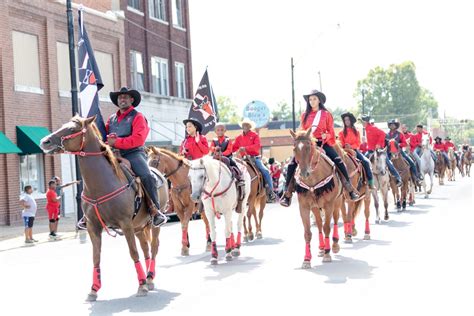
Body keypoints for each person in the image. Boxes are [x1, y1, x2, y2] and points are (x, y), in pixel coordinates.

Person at [280, 90, 359, 207]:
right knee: (292, 164)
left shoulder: (326, 114)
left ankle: (349, 187)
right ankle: (287, 193)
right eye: (310, 99)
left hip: (323, 142)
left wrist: (326, 135)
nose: (312, 102)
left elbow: (331, 132)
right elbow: (302, 130)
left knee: (338, 160)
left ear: (319, 100)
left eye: (314, 99)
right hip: (308, 144)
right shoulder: (304, 115)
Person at [107, 87, 167, 227]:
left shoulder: (138, 116)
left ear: (131, 100)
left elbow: (138, 139)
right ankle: (90, 213)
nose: (122, 99)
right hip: (113, 153)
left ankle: (155, 210)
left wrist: (116, 142)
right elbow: (104, 136)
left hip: (133, 153)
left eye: (125, 97)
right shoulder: (111, 119)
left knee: (146, 176)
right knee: (96, 172)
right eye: (120, 97)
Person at [232, 118, 276, 202]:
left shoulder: (255, 135)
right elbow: (233, 147)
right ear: (242, 126)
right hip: (243, 159)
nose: (245, 126)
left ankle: (270, 191)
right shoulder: (238, 138)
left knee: (265, 171)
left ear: (250, 126)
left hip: (254, 158)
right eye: (244, 125)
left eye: (247, 125)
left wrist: (245, 148)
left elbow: (257, 146)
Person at [359, 115, 402, 187]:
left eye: (362, 121)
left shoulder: (373, 128)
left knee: (388, 162)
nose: (362, 123)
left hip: (379, 150)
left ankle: (398, 177)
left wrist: (378, 144)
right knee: (362, 162)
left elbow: (383, 134)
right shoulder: (366, 129)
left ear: (366, 122)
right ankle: (363, 180)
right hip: (370, 150)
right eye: (361, 122)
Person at [338, 112, 375, 189]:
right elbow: (340, 142)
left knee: (366, 161)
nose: (346, 121)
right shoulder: (341, 133)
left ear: (351, 121)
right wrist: (344, 146)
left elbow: (358, 143)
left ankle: (370, 182)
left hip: (355, 150)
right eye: (345, 120)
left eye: (348, 120)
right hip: (344, 151)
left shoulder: (356, 131)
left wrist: (351, 146)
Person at [386, 119, 423, 183]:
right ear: (389, 126)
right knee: (382, 164)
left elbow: (405, 143)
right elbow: (384, 144)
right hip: (389, 152)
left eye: (393, 125)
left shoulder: (400, 134)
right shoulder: (386, 135)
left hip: (399, 151)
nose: (392, 126)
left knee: (412, 162)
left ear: (395, 126)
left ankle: (416, 177)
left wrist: (398, 144)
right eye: (391, 125)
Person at [209, 123, 244, 187]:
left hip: (226, 156)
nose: (220, 131)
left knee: (232, 163)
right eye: (218, 130)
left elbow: (229, 150)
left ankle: (239, 177)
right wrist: (214, 149)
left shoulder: (228, 140)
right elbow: (211, 148)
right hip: (216, 156)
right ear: (215, 131)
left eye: (222, 130)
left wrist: (222, 154)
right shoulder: (214, 140)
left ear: (225, 131)